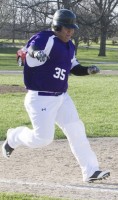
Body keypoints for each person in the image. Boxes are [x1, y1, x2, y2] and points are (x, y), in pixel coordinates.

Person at [1, 9, 110, 183]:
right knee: (42, 139)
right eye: (67, 28)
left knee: (77, 130)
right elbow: (30, 48)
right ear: (57, 26)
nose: (70, 31)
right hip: (40, 98)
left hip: (61, 97)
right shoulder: (47, 38)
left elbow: (74, 67)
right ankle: (14, 137)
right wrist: (36, 53)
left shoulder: (69, 45)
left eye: (72, 28)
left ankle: (91, 171)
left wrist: (87, 70)